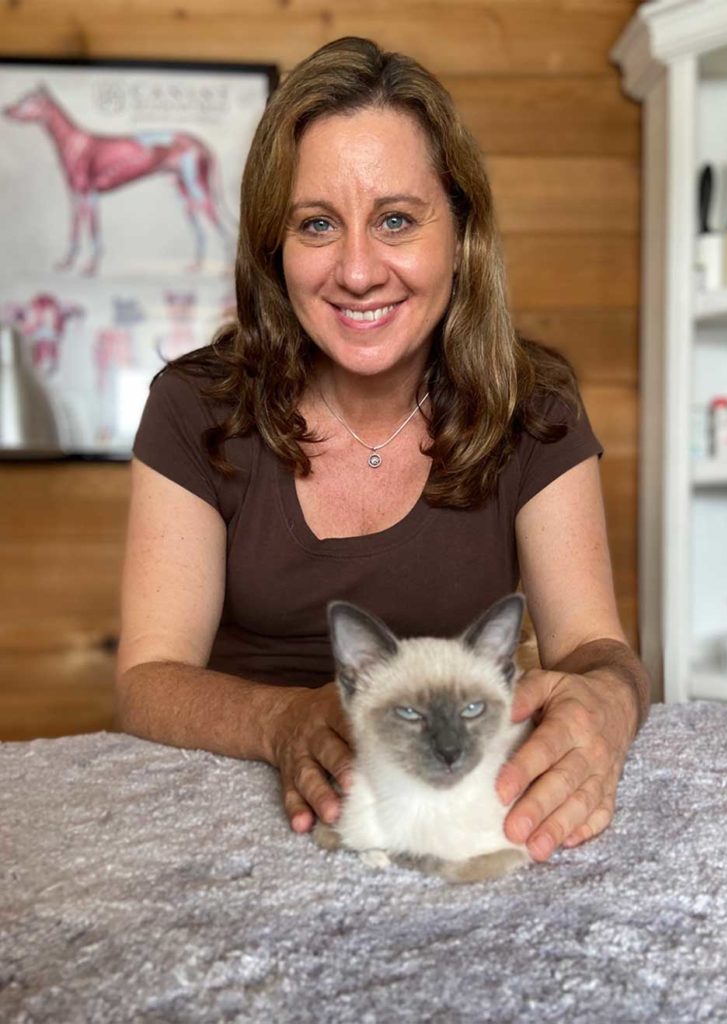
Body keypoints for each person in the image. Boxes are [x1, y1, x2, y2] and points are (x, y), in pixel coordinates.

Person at [116, 36, 650, 864]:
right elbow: (148, 678)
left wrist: (609, 705)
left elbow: (593, 648)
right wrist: (283, 720)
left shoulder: (532, 401)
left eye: (396, 219)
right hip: (244, 806)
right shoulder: (196, 405)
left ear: (460, 232)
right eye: (318, 224)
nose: (358, 271)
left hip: (457, 803)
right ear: (274, 250)